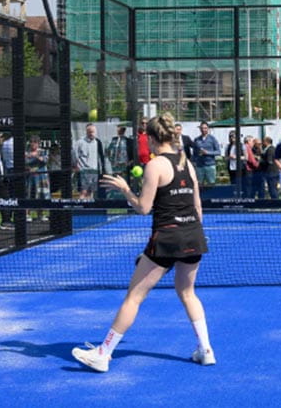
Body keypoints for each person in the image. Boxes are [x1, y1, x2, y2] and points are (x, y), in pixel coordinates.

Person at [72, 113, 214, 372]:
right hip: (194, 235)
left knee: (134, 297)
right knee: (187, 293)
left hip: (167, 238)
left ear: (150, 138)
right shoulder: (187, 163)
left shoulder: (155, 165)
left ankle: (103, 354)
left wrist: (126, 189)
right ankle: (206, 349)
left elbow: (143, 208)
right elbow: (197, 206)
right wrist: (195, 233)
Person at [73, 123, 109, 201]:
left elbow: (101, 156)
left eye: (93, 132)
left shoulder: (97, 142)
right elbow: (74, 155)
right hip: (84, 171)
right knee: (83, 191)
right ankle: (81, 207)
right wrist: (76, 166)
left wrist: (103, 169)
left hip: (94, 170)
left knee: (91, 191)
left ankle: (89, 208)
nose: (92, 134)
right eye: (90, 132)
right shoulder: (80, 142)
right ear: (87, 132)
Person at [25, 135, 51, 222]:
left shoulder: (44, 152)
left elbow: (45, 160)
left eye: (35, 142)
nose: (33, 144)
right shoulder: (26, 152)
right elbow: (26, 163)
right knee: (29, 195)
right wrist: (30, 156)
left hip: (42, 178)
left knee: (42, 196)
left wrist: (36, 156)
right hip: (31, 178)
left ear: (38, 143)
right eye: (31, 142)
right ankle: (27, 214)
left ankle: (40, 214)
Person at [193, 121, 221, 187]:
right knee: (199, 184)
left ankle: (212, 197)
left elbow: (218, 152)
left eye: (205, 128)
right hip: (200, 166)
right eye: (202, 128)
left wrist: (207, 152)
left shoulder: (212, 139)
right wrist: (194, 161)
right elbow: (194, 153)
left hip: (210, 165)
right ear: (200, 129)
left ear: (208, 129)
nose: (203, 130)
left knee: (211, 184)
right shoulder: (197, 139)